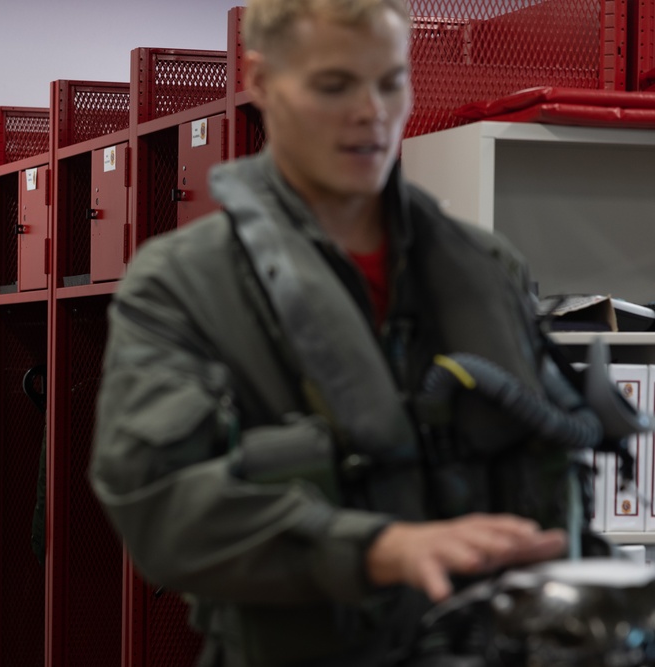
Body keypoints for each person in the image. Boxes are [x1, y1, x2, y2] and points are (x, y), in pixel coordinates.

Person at [88, 1, 603, 665]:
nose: (372, 111)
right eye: (334, 85)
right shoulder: (183, 283)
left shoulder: (486, 266)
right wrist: (377, 548)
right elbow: (157, 502)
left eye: (390, 81)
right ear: (261, 81)